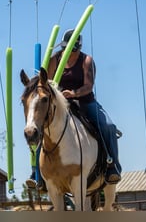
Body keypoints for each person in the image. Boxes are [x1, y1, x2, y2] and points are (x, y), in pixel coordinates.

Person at [46, 29, 122, 184]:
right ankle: (37, 174)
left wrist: (73, 93)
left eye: (73, 50)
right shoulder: (54, 60)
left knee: (108, 126)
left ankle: (112, 166)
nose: (69, 53)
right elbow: (46, 82)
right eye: (65, 49)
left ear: (78, 48)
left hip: (85, 102)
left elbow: (88, 86)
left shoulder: (86, 60)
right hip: (61, 105)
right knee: (41, 127)